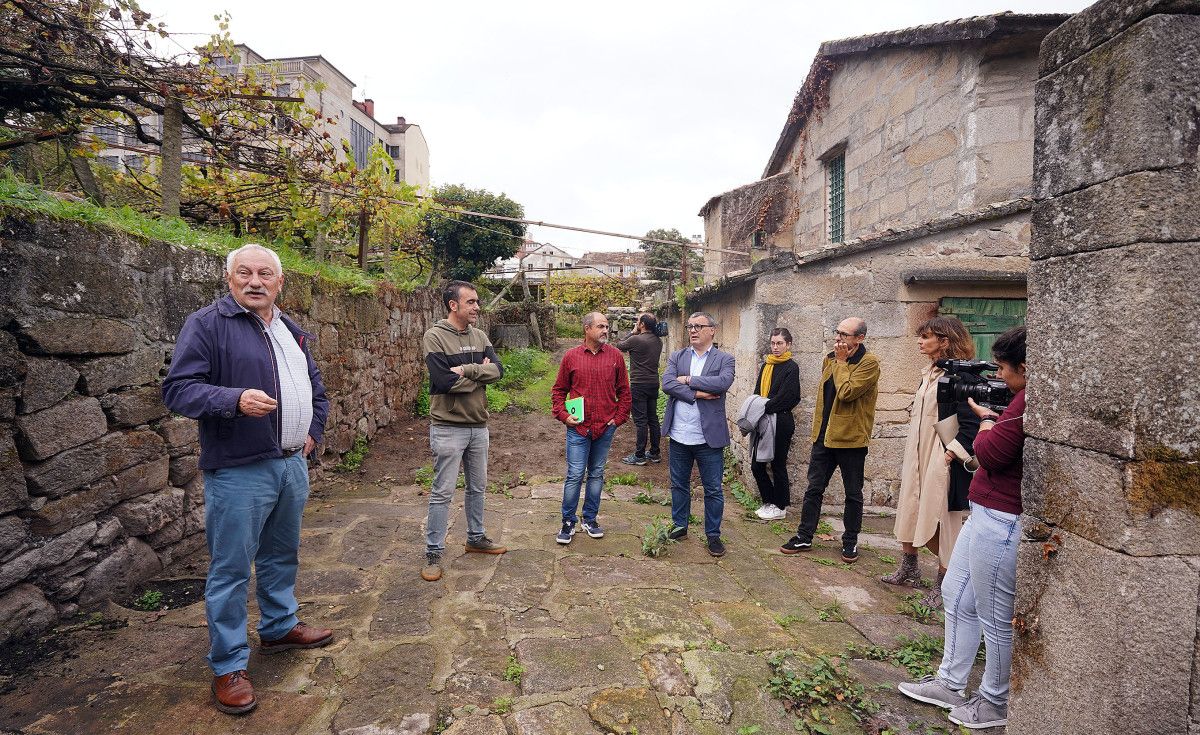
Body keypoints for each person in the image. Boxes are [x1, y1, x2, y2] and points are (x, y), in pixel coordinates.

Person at [163, 243, 333, 715]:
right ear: (229, 278)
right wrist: (234, 399)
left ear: (280, 283)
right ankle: (229, 665)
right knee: (231, 569)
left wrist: (312, 433)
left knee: (282, 554)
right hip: (239, 469)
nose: (255, 281)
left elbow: (317, 391)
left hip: (290, 464)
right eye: (244, 273)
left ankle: (279, 626)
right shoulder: (208, 325)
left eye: (265, 274)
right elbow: (177, 389)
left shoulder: (291, 331)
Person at [897, 326, 1026, 730]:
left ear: (1025, 367)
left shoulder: (1026, 403)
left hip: (1003, 518)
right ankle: (950, 683)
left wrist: (987, 424)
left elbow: (989, 451)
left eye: (1004, 368)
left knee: (992, 613)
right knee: (956, 592)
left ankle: (994, 702)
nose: (999, 377)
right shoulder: (1015, 398)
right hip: (984, 507)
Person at [882, 317, 980, 608]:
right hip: (918, 454)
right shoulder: (930, 373)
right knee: (911, 506)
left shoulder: (965, 378)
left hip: (942, 457)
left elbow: (971, 424)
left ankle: (944, 584)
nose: (920, 342)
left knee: (945, 519)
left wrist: (949, 455)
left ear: (945, 341)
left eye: (926, 337)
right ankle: (909, 568)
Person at [421, 280, 507, 583]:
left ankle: (475, 538)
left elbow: (499, 370)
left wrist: (468, 370)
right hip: (448, 427)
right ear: (453, 305)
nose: (477, 307)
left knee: (478, 487)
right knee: (442, 492)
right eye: (470, 302)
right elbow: (443, 382)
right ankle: (433, 551)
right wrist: (480, 373)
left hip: (478, 426)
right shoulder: (435, 337)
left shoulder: (480, 335)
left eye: (477, 302)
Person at [780, 317, 880, 563]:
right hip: (824, 436)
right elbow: (825, 396)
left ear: (860, 338)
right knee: (813, 489)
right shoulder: (830, 358)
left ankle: (850, 541)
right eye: (837, 333)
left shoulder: (870, 364)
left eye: (844, 335)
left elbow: (846, 392)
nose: (838, 339)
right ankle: (804, 536)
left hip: (851, 439)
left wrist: (842, 362)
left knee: (852, 493)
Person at [550, 312, 632, 544]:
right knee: (575, 474)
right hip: (578, 428)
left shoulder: (615, 356)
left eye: (606, 326)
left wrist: (618, 418)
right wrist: (564, 416)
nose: (606, 330)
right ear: (587, 329)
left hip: (605, 427)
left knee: (596, 473)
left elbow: (624, 391)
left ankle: (590, 518)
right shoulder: (571, 357)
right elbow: (558, 390)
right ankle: (568, 521)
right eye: (600, 326)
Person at [661, 312, 736, 557]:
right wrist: (698, 394)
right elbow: (667, 384)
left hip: (708, 438)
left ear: (712, 330)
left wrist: (689, 380)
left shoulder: (725, 359)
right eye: (690, 326)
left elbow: (722, 383)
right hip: (680, 435)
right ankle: (680, 525)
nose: (693, 330)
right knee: (679, 485)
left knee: (713, 488)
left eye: (699, 326)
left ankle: (713, 535)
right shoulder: (677, 356)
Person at [750, 328, 801, 521]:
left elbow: (788, 398)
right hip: (763, 420)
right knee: (757, 465)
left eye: (779, 343)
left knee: (778, 464)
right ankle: (769, 502)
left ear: (788, 344)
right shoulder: (766, 366)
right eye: (773, 343)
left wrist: (762, 406)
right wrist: (758, 407)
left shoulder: (791, 367)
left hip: (781, 421)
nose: (775, 347)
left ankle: (780, 507)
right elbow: (757, 393)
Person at [614, 312, 664, 466]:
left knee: (641, 420)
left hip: (639, 384)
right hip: (653, 383)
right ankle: (655, 453)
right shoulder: (658, 341)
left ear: (642, 324)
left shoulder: (636, 339)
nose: (636, 323)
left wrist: (632, 332)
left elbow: (619, 345)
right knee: (653, 418)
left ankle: (640, 455)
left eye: (637, 321)